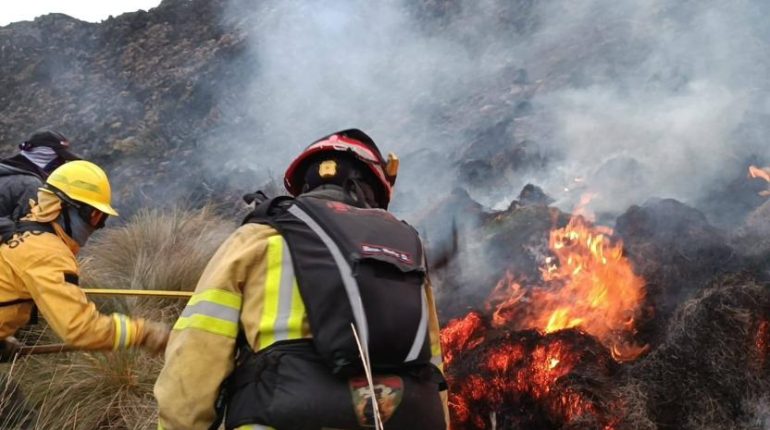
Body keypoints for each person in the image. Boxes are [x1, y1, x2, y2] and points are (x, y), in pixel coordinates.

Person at [155, 129, 448, 430]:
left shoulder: (260, 235)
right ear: (372, 186)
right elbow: (431, 366)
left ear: (304, 184)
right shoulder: (408, 247)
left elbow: (196, 352)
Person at [0, 160, 169, 359]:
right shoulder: (47, 254)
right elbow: (80, 329)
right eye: (95, 216)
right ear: (63, 207)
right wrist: (144, 333)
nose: (97, 227)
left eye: (101, 219)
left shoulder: (22, 232)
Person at [0, 130, 80, 222]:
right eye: (59, 159)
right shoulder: (30, 184)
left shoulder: (5, 169)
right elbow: (22, 230)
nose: (61, 164)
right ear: (43, 155)